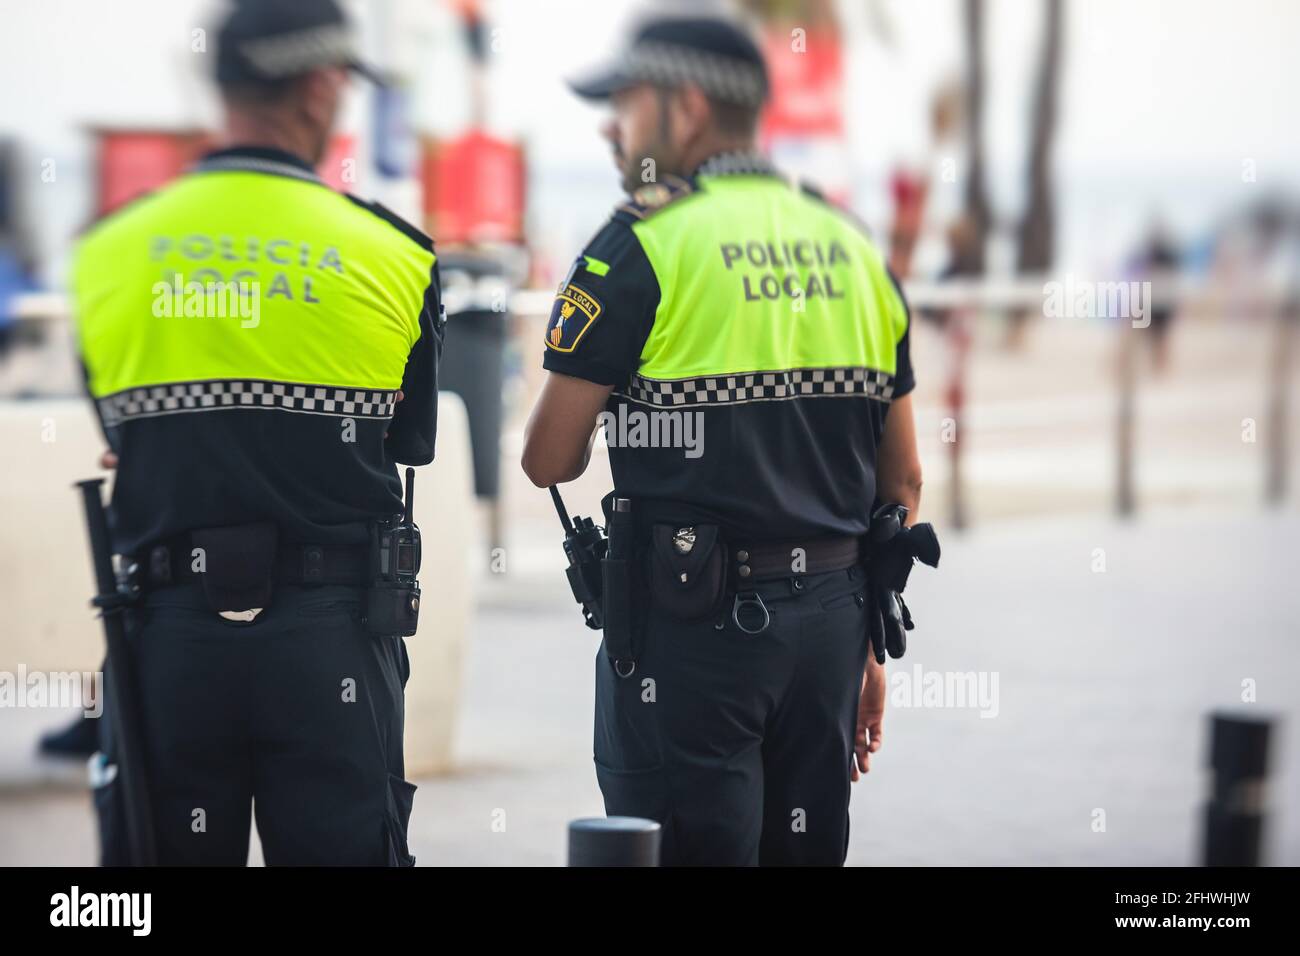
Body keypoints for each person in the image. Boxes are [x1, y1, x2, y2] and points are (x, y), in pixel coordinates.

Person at [522, 15, 933, 866]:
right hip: (829, 628)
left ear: (690, 107)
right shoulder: (852, 248)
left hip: (690, 632)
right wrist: (865, 649)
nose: (611, 127)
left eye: (628, 104)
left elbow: (548, 459)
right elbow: (906, 480)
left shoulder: (639, 245)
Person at [68, 0, 444, 865]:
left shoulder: (108, 255)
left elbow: (125, 439)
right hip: (334, 640)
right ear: (318, 87)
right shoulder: (395, 254)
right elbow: (404, 441)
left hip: (166, 640)